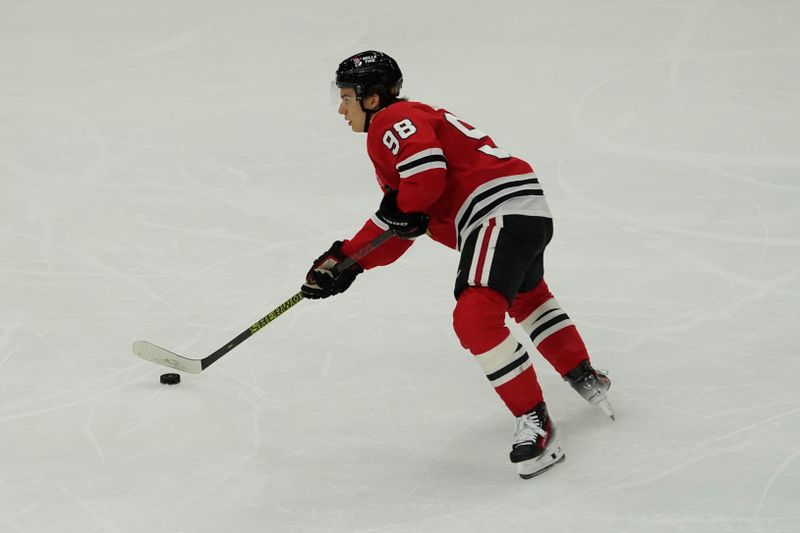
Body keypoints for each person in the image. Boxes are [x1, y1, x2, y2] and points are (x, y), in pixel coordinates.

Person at [301, 50, 613, 479]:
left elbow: (422, 183)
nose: (341, 108)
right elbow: (403, 224)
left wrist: (357, 250)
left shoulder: (392, 121)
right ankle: (584, 374)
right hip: (521, 209)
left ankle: (536, 422)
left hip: (495, 210)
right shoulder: (404, 132)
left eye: (346, 97)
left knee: (475, 317)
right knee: (526, 296)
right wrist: (347, 262)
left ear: (371, 99)